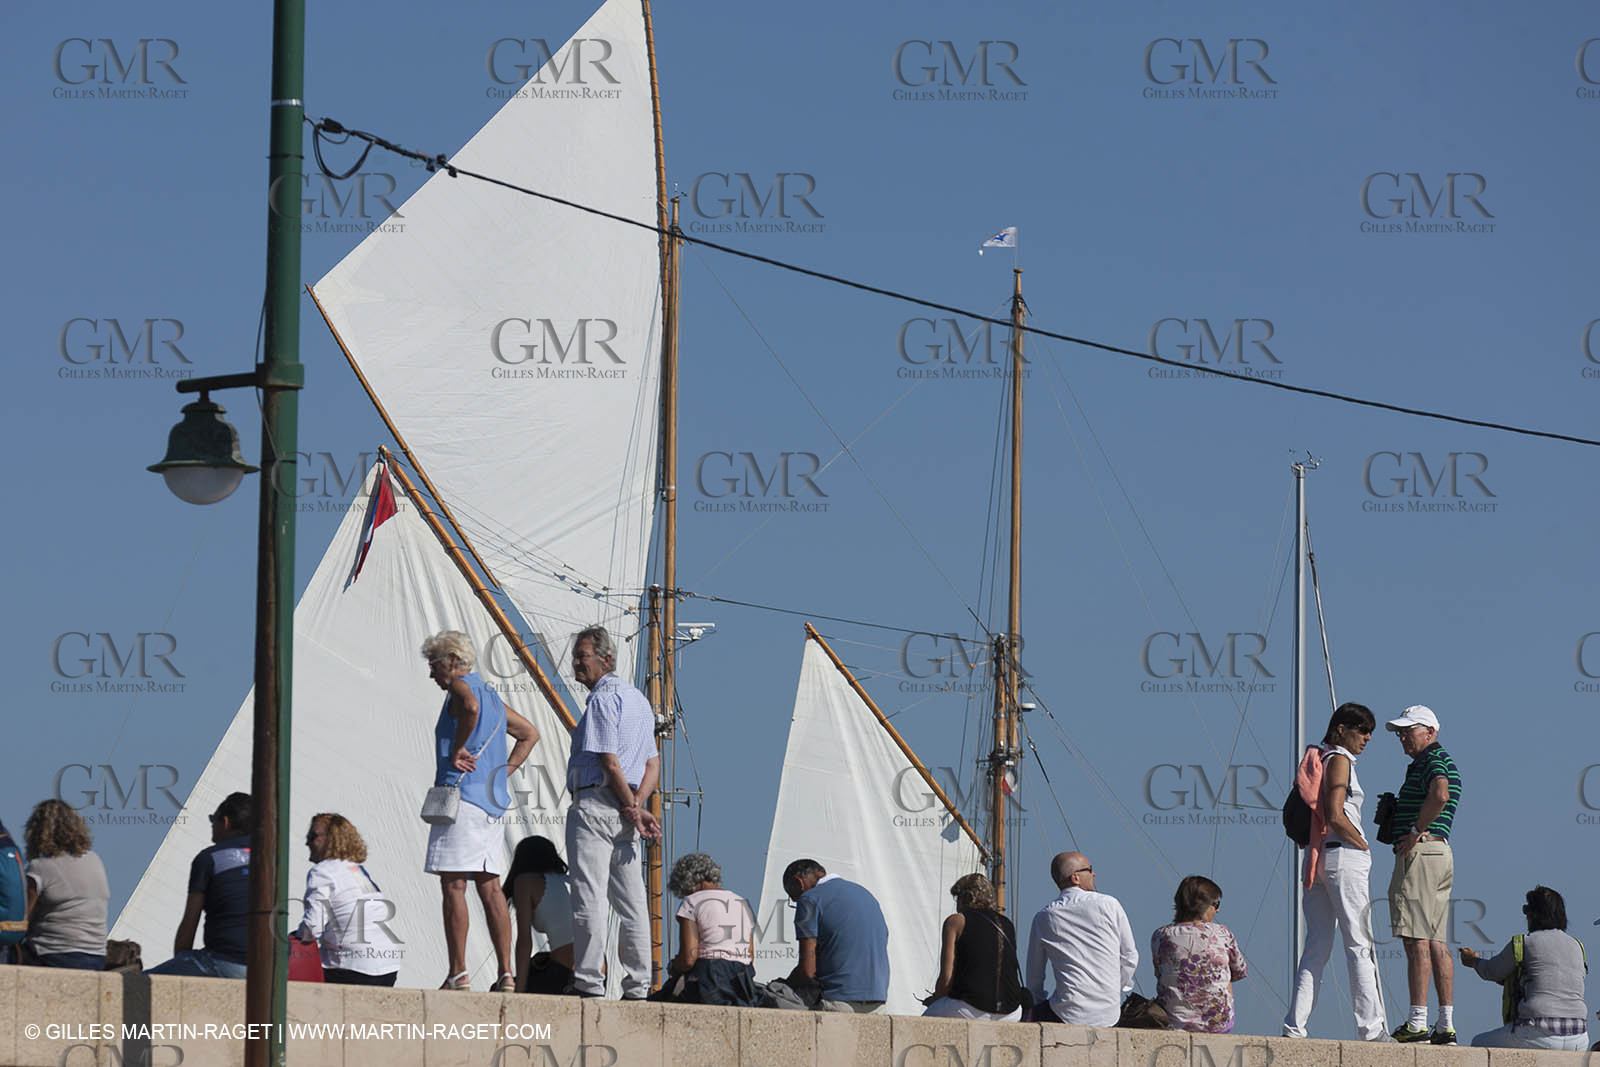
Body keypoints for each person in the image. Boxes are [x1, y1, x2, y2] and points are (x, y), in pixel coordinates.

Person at [422, 629, 540, 992]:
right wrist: (502, 773)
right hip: (491, 802)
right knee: (490, 887)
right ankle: (506, 973)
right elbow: (530, 733)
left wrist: (459, 747)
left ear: (452, 661)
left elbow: (469, 708)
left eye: (434, 663)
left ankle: (458, 971)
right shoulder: (492, 694)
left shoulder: (462, 688)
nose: (431, 672)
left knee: (453, 884)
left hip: (463, 799)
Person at [565, 624, 661, 999]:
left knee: (588, 895)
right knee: (632, 903)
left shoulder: (602, 700)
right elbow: (652, 764)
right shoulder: (639, 700)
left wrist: (631, 807)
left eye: (582, 656)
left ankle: (589, 981)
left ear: (606, 659)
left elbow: (610, 761)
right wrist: (637, 805)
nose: (576, 663)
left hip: (597, 804)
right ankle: (638, 985)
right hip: (625, 810)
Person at [1283, 702, 1387, 1040]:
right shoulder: (1340, 759)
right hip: (1344, 857)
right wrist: (1363, 843)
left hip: (1318, 858)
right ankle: (1371, 1028)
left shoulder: (1320, 757)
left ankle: (1295, 1026)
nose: (1367, 738)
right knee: (1359, 943)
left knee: (1316, 948)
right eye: (1362, 730)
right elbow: (1335, 813)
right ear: (1341, 729)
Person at [1383, 705, 1463, 1045]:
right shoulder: (1441, 760)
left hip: (1422, 853)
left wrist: (1415, 830)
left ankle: (1417, 1021)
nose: (1403, 737)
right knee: (1435, 940)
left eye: (1409, 730)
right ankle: (1445, 1024)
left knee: (1415, 937)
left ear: (1430, 732)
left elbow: (1440, 793)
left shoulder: (1432, 760)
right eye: (1400, 732)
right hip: (1441, 852)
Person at [1459, 887, 1589, 1051]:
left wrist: (1474, 961)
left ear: (1534, 914)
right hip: (1579, 1037)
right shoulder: (1577, 946)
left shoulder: (1524, 942)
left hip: (1537, 1032)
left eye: (1526, 910)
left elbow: (1492, 971)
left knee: (1478, 1042)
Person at [1025, 851, 1138, 1026]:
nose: (1094, 874)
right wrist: (1113, 990)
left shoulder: (1044, 917)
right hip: (1110, 1013)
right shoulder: (1109, 904)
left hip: (1066, 1012)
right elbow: (1129, 957)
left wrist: (1036, 1003)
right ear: (1075, 877)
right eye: (1089, 869)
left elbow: (1034, 976)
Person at [148, 792, 253, 978]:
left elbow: (191, 920)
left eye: (213, 819)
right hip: (272, 967)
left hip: (227, 963)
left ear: (226, 822)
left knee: (136, 983)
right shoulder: (271, 858)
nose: (211, 825)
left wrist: (181, 961)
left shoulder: (209, 858)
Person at [293, 813, 402, 985]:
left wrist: (295, 936)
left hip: (352, 969)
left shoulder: (322, 871)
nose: (307, 842)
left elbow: (312, 928)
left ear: (332, 839)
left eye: (312, 836)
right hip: (388, 968)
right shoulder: (357, 871)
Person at [783, 858, 890, 1012]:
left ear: (798, 882)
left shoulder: (809, 899)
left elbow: (807, 970)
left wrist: (784, 985)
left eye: (793, 897)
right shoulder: (865, 894)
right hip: (877, 1001)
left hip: (838, 1001)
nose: (796, 901)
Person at [921, 872, 1024, 1021]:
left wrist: (935, 1000)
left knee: (923, 1023)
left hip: (970, 1008)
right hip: (1011, 1013)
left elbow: (946, 979)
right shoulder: (1007, 924)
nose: (957, 906)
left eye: (958, 898)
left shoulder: (956, 921)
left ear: (968, 897)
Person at [1151, 875, 1246, 1033]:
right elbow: (1239, 971)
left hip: (1175, 1020)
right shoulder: (1222, 933)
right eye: (1216, 904)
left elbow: (1159, 972)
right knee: (1225, 972)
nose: (1217, 910)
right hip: (1218, 1022)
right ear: (1204, 906)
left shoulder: (1160, 935)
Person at [21, 800, 108, 969]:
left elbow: (21, 918)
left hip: (51, 955)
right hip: (96, 957)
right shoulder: (94, 860)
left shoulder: (40, 867)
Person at [666, 852, 760, 1006]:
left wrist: (674, 966)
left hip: (709, 975)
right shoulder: (741, 902)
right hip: (743, 978)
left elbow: (688, 959)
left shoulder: (692, 901)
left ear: (688, 880)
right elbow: (750, 954)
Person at [502, 835, 575, 994]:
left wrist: (520, 990)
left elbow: (524, 942)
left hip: (565, 973)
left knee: (497, 989)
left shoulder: (525, 882)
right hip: (598, 972)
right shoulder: (571, 881)